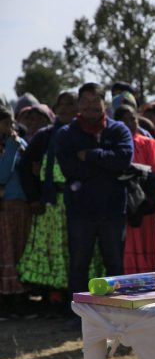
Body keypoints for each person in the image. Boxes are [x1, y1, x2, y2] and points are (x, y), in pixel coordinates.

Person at [55, 83, 134, 301]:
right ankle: (78, 312)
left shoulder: (118, 130)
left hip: (113, 210)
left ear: (104, 103)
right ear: (78, 104)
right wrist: (106, 164)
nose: (90, 106)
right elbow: (69, 168)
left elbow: (123, 160)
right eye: (85, 101)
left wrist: (89, 155)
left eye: (95, 100)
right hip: (80, 211)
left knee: (115, 264)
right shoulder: (66, 134)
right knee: (79, 263)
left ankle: (117, 310)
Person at [16, 91, 93, 314]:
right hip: (52, 204)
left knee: (78, 252)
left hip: (80, 203)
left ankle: (77, 300)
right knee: (54, 251)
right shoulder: (45, 135)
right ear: (55, 108)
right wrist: (33, 198)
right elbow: (24, 166)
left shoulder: (85, 132)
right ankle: (54, 300)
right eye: (62, 104)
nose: (67, 108)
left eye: (71, 104)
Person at [114, 105, 155, 274]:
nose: (130, 123)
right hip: (123, 202)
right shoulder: (113, 144)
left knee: (147, 242)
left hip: (146, 203)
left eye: (132, 119)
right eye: (124, 120)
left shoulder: (149, 143)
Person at [0, 107, 31, 308]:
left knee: (21, 250)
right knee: (6, 251)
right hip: (4, 209)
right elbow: (2, 176)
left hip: (23, 207)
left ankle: (22, 296)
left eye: (12, 122)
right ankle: (6, 298)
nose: (11, 127)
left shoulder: (20, 143)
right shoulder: (9, 146)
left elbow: (29, 170)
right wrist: (11, 148)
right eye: (5, 122)